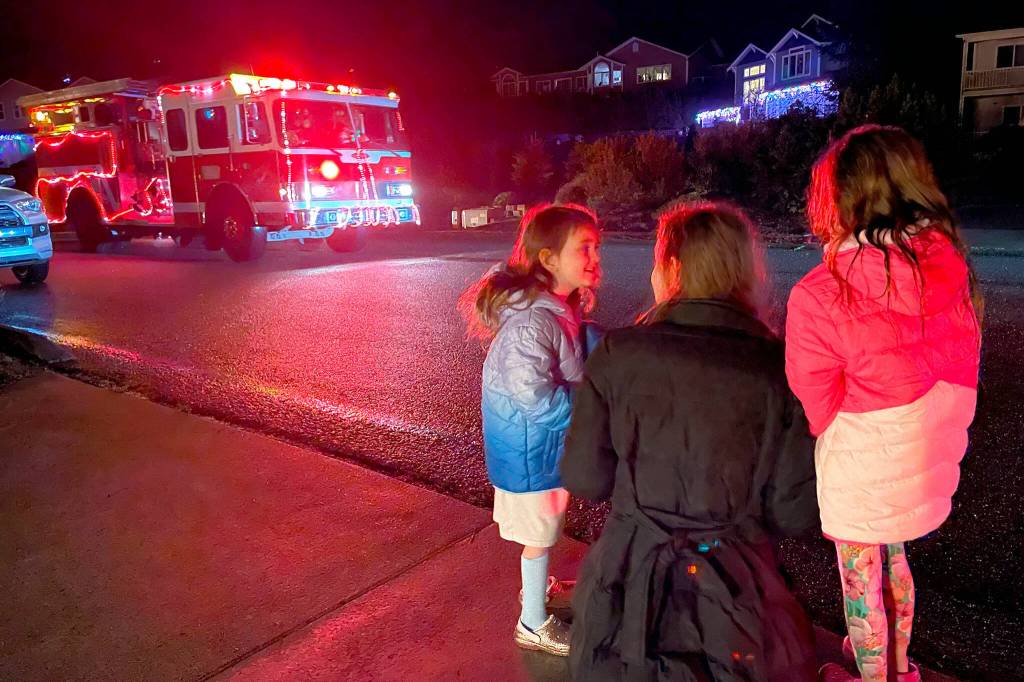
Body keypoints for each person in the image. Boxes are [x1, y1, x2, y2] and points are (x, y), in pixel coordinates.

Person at [562, 202, 819, 681]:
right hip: (736, 598)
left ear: (674, 268)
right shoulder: (777, 368)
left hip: (629, 586)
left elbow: (584, 476)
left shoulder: (619, 353)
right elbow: (794, 511)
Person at [785, 125, 983, 682]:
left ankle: (874, 675)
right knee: (896, 558)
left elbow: (814, 402)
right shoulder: (951, 267)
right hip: (930, 447)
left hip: (865, 454)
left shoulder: (821, 291)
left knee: (860, 575)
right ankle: (898, 663)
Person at [459, 203, 602, 656]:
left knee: (545, 529)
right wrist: (592, 409)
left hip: (541, 448)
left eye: (597, 247)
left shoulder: (554, 309)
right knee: (539, 536)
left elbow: (568, 355)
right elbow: (536, 400)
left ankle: (538, 591)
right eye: (584, 248)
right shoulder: (531, 324)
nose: (595, 258)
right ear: (548, 259)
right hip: (528, 452)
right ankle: (532, 623)